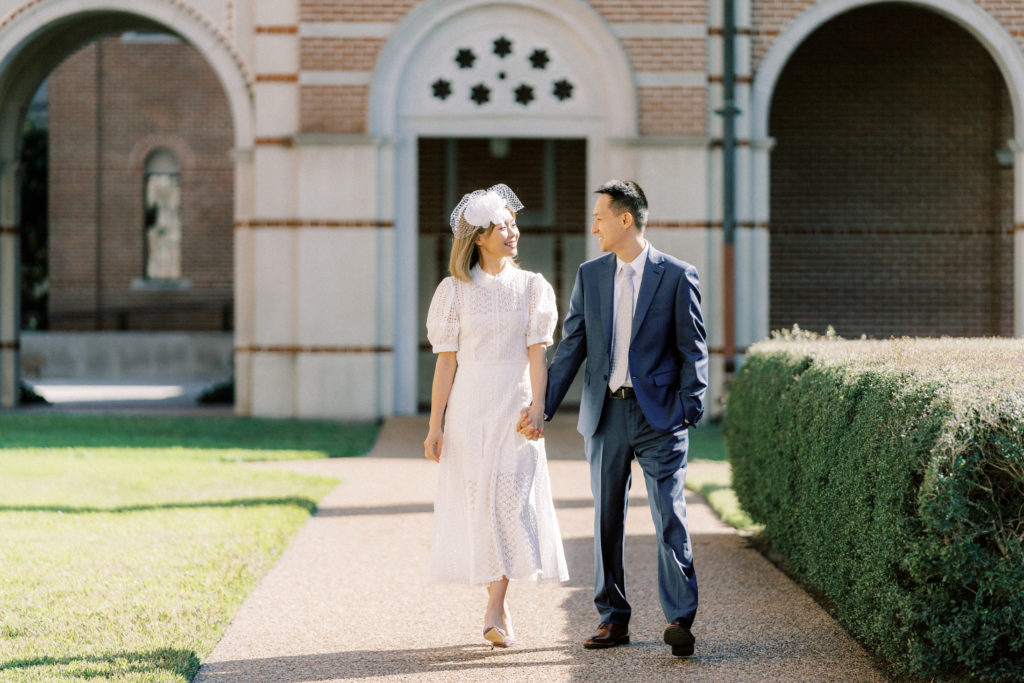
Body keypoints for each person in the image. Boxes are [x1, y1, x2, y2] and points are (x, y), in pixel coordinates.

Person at [520, 179, 708, 657]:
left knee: (669, 515)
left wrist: (689, 407)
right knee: (607, 518)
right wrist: (541, 404)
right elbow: (571, 348)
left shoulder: (678, 275)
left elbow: (694, 351)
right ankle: (613, 618)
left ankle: (680, 618)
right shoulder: (591, 275)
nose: (593, 226)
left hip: (660, 417)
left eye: (600, 217)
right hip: (604, 415)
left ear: (626, 219)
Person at [423, 183, 569, 648]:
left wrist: (539, 407)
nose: (513, 232)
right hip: (469, 408)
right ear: (479, 236)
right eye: (502, 226)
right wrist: (434, 425)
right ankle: (498, 601)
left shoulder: (532, 287)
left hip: (515, 406)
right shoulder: (453, 291)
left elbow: (538, 354)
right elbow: (446, 362)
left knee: (510, 502)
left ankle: (493, 603)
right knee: (479, 506)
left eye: (513, 223)